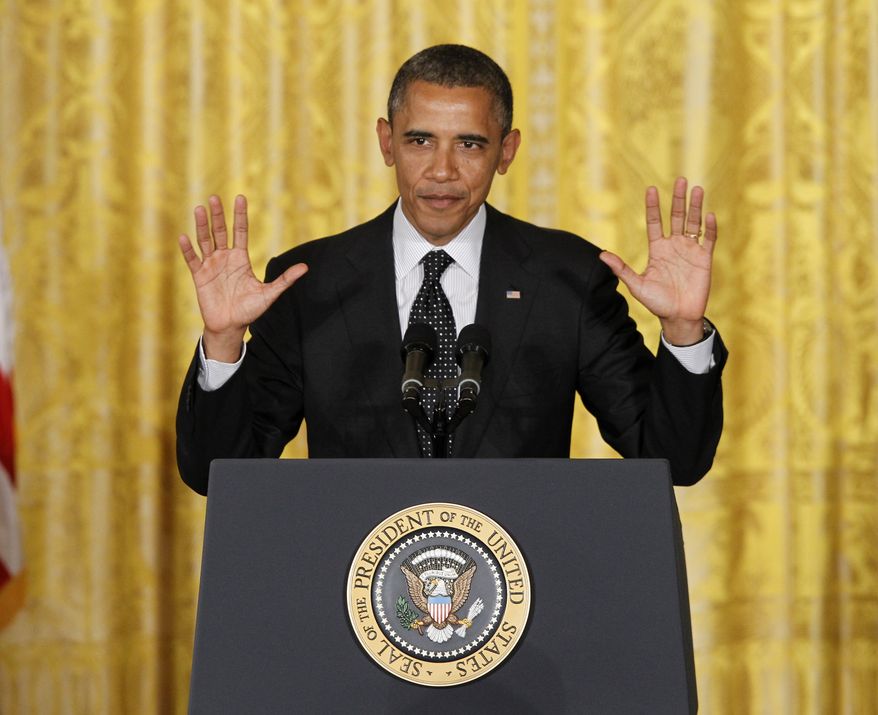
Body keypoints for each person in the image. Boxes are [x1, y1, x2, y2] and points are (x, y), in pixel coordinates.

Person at [176, 44, 727, 496]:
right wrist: (223, 342)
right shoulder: (309, 281)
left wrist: (682, 333)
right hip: (354, 595)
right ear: (386, 142)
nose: (442, 170)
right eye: (420, 141)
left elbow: (673, 460)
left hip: (518, 596)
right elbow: (217, 474)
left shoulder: (566, 277)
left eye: (469, 143)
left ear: (506, 152)